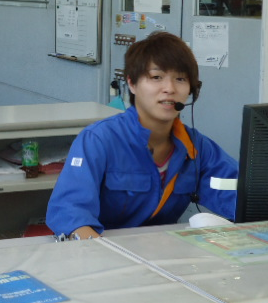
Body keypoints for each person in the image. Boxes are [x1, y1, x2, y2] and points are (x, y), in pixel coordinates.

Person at [46, 31, 238, 240]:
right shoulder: (99, 140)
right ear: (132, 83)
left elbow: (241, 195)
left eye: (180, 78)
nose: (169, 89)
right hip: (103, 252)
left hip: (163, 252)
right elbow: (70, 213)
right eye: (156, 77)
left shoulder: (196, 147)